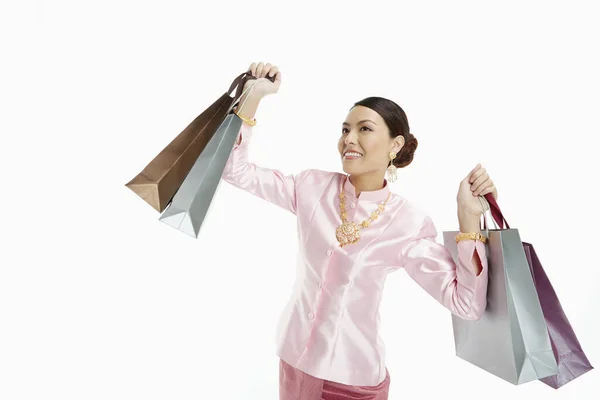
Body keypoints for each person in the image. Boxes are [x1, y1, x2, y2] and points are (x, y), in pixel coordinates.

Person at [221, 62, 497, 400]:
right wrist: (254, 97)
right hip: (294, 363)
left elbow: (466, 304)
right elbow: (235, 171)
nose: (348, 139)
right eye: (345, 129)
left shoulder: (407, 223)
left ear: (396, 145)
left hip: (353, 381)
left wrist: (468, 220)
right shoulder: (311, 187)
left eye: (364, 129)